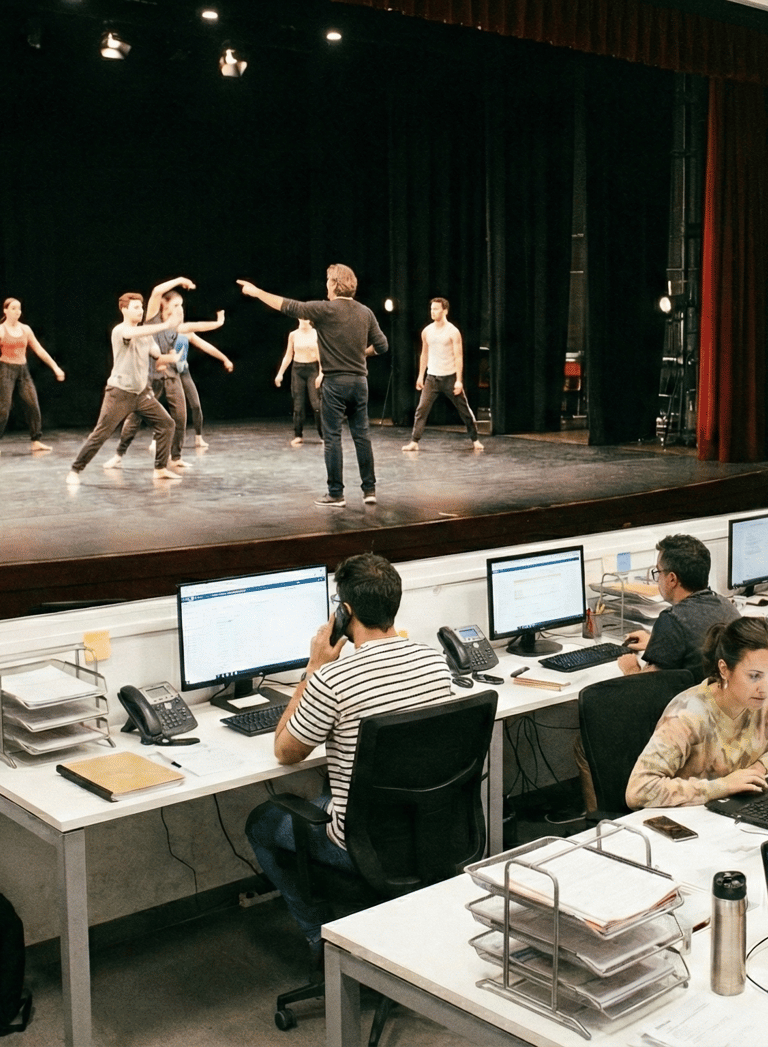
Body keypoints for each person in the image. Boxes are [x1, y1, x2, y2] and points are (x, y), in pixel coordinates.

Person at [244, 552, 454, 956]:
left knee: (263, 820)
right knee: (329, 791)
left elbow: (285, 751)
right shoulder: (434, 662)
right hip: (427, 831)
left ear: (344, 611)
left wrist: (314, 666)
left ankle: (319, 938)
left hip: (363, 845)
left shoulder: (332, 680)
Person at [625, 616, 768, 809]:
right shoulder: (687, 715)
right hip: (692, 821)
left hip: (736, 811)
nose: (765, 688)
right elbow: (639, 790)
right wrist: (723, 786)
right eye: (754, 676)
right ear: (724, 669)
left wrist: (762, 766)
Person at [237, 265, 389, 506]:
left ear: (333, 283)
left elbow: (288, 306)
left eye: (328, 281)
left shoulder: (324, 309)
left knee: (333, 438)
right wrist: (362, 353)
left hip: (335, 384)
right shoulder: (365, 312)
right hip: (360, 383)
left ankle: (336, 494)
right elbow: (383, 346)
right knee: (362, 437)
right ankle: (369, 491)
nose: (326, 285)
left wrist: (257, 292)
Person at [67, 278, 218, 485]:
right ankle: (75, 470)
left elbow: (159, 357)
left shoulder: (146, 335)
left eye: (142, 307)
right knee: (101, 434)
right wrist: (166, 324)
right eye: (136, 308)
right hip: (119, 393)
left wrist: (174, 357)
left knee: (166, 424)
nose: (140, 311)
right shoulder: (120, 330)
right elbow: (134, 333)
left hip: (142, 393)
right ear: (124, 310)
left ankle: (160, 469)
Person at [103, 295, 220, 472]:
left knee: (180, 416)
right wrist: (180, 280)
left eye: (181, 305)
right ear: (163, 308)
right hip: (150, 378)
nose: (179, 308)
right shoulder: (151, 321)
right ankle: (118, 455)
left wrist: (219, 323)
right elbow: (157, 292)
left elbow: (197, 328)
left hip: (172, 376)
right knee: (135, 418)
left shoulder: (177, 327)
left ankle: (176, 458)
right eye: (175, 305)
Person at [618, 534, 739, 675]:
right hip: (720, 694)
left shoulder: (672, 620)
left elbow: (647, 688)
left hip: (697, 696)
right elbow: (696, 645)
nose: (658, 579)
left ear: (672, 579)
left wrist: (630, 668)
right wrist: (655, 642)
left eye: (658, 572)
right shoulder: (727, 605)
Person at [0, 297, 65, 458]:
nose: (17, 311)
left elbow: (39, 350)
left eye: (19, 308)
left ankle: (36, 441)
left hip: (23, 370)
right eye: (13, 308)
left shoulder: (25, 329)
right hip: (6, 370)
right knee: (4, 408)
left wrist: (55, 367)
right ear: (5, 310)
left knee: (33, 404)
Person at [400, 297, 482, 452]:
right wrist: (420, 376)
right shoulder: (427, 331)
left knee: (464, 410)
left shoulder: (453, 332)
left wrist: (459, 380)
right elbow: (424, 354)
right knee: (421, 409)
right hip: (432, 378)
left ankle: (475, 439)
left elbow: (459, 356)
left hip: (450, 377)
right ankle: (414, 441)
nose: (433, 312)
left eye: (436, 309)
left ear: (445, 311)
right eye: (431, 309)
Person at [173, 311, 232, 451]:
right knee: (162, 407)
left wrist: (225, 359)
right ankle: (156, 439)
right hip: (167, 372)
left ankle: (198, 438)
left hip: (183, 371)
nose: (179, 314)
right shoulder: (166, 330)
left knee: (196, 405)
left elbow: (207, 346)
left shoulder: (187, 331)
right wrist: (219, 322)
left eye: (181, 311)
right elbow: (200, 325)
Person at [273, 318, 322, 447]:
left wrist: (321, 374)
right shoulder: (293, 334)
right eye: (302, 318)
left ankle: (324, 435)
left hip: (313, 369)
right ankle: (298, 435)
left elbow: (321, 356)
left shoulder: (316, 333)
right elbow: (288, 355)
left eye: (307, 318)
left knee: (316, 404)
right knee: (298, 405)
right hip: (298, 370)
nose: (304, 320)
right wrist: (280, 373)